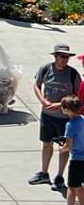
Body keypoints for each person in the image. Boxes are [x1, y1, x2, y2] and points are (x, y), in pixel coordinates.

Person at [31, 43, 83, 188]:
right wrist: (42, 100)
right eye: (62, 56)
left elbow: (77, 96)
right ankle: (44, 173)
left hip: (64, 118)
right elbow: (36, 85)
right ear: (55, 56)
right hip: (47, 116)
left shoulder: (73, 74)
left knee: (63, 148)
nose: (64, 59)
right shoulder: (46, 69)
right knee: (46, 144)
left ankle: (59, 177)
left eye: (67, 57)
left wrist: (60, 105)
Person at [62, 96, 84, 205]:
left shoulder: (70, 125)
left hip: (77, 160)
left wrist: (62, 149)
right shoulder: (83, 119)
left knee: (71, 186)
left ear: (67, 109)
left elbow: (69, 146)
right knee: (79, 185)